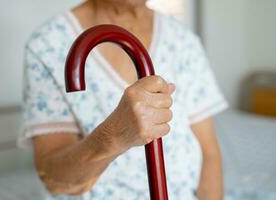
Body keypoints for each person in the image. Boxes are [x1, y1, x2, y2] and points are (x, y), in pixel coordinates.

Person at [18, 0, 228, 199]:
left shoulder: (183, 41)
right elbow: (55, 180)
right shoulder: (48, 45)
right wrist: (115, 135)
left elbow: (209, 155)